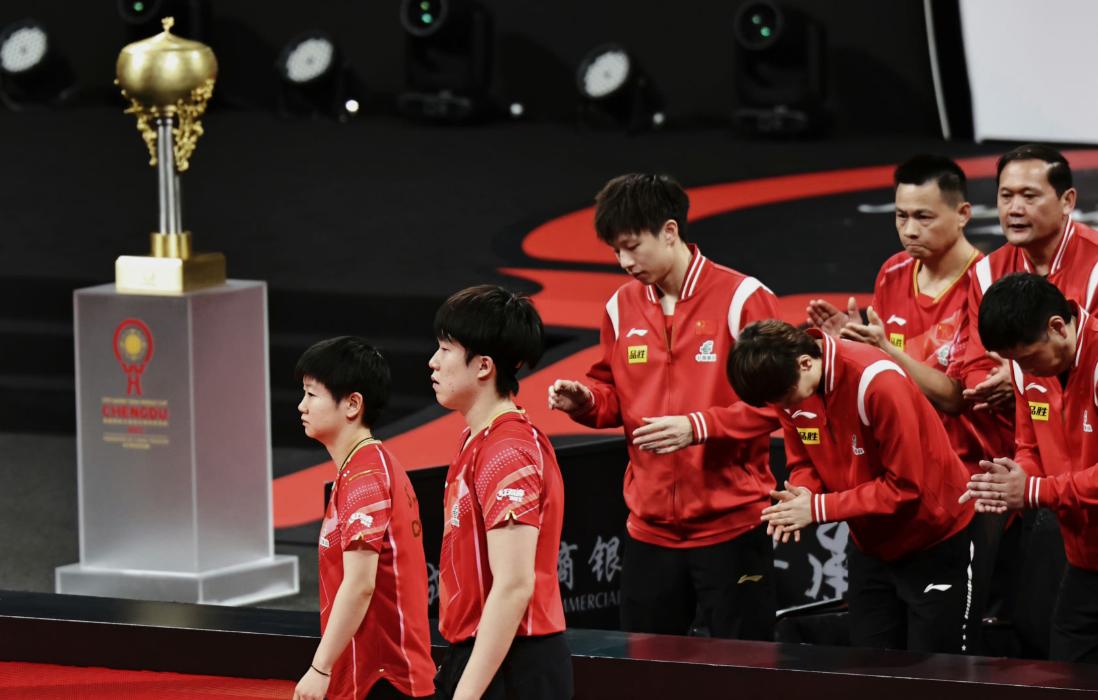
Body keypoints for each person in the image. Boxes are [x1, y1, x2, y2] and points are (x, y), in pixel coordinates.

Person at [548, 173, 779, 639]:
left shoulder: (743, 299)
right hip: (649, 532)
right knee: (647, 668)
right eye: (616, 251)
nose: (624, 262)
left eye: (633, 247)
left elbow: (781, 402)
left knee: (744, 668)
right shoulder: (620, 307)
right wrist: (586, 401)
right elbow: (614, 397)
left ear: (670, 231)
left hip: (731, 527)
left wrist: (698, 426)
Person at [806, 155, 1007, 646]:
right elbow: (875, 374)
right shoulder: (894, 272)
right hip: (898, 478)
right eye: (901, 216)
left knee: (945, 654)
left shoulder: (985, 284)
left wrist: (885, 353)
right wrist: (849, 344)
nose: (909, 230)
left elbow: (960, 397)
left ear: (963, 214)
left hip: (967, 488)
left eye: (924, 216)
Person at [728, 320, 977, 653]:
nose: (782, 407)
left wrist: (817, 508)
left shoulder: (878, 382)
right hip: (870, 544)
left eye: (784, 397)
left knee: (935, 669)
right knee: (867, 664)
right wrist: (804, 493)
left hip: (934, 537)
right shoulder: (787, 389)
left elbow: (905, 487)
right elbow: (804, 461)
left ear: (805, 363)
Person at [958, 145, 1098, 657]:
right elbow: (978, 371)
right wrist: (1017, 478)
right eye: (1005, 195)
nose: (1014, 208)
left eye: (1029, 195)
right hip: (1076, 530)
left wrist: (1034, 488)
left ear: (1067, 200)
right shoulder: (990, 278)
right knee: (1062, 653)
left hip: (1067, 496)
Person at [429, 285, 572, 700]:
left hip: (515, 662)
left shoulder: (507, 452)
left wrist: (467, 693)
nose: (433, 362)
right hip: (481, 652)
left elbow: (513, 585)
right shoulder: (477, 439)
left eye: (445, 349)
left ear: (483, 366)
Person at [293, 337, 435, 700]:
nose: (301, 405)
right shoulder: (363, 468)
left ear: (353, 404)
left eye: (311, 394)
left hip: (383, 680)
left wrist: (319, 668)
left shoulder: (365, 477)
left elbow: (360, 584)